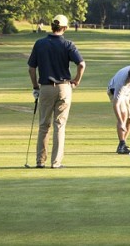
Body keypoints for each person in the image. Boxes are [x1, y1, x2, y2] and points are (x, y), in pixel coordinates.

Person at [27, 14, 86, 168]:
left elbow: (31, 68)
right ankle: (56, 162)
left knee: (43, 126)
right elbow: (81, 64)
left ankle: (40, 161)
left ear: (51, 26)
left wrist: (35, 87)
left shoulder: (39, 44)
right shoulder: (68, 44)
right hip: (64, 87)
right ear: (64, 28)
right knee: (59, 125)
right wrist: (76, 81)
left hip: (45, 87)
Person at [106, 64, 130, 155]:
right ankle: (122, 145)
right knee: (123, 117)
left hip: (129, 92)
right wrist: (120, 122)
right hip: (114, 91)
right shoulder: (121, 83)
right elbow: (116, 104)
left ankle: (123, 144)